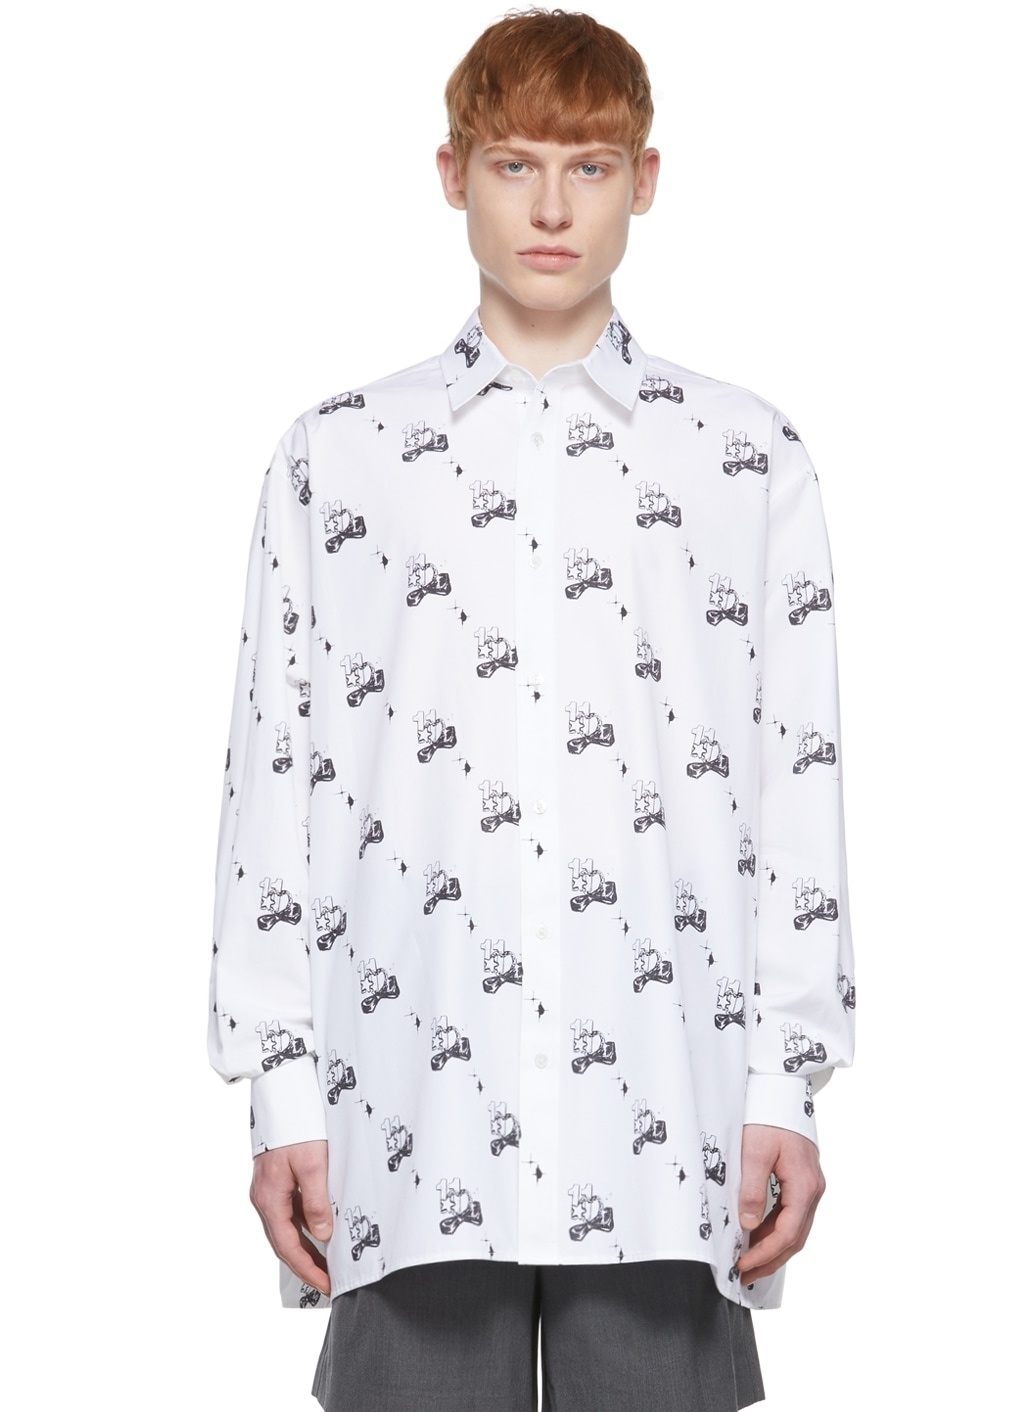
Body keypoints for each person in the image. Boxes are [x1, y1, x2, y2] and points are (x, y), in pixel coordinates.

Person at [209, 9, 855, 1409]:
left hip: (669, 1122)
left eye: (590, 167)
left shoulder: (745, 458)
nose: (552, 208)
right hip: (409, 1119)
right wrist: (282, 1091)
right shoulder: (340, 458)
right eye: (514, 164)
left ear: (645, 180)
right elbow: (276, 786)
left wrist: (785, 1086)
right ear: (452, 174)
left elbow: (794, 791)